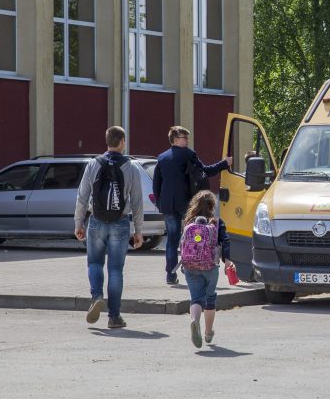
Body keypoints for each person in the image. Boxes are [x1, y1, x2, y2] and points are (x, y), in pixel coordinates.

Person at [74, 126, 145, 329]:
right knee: (115, 269)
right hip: (120, 222)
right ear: (122, 141)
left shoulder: (93, 164)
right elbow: (137, 201)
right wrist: (138, 230)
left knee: (94, 263)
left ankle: (97, 296)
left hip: (96, 221)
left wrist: (79, 223)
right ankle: (114, 316)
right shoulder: (130, 167)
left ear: (107, 141)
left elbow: (82, 196)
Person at [153, 126, 232, 285]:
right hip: (187, 204)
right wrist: (224, 164)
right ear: (175, 139)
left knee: (172, 240)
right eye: (184, 138)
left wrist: (160, 202)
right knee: (195, 235)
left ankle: (170, 274)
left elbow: (157, 184)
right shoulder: (189, 154)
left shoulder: (161, 158)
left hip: (168, 204)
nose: (187, 141)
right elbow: (206, 172)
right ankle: (193, 266)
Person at [180, 190, 234, 348]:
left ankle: (194, 321)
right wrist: (227, 261)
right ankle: (208, 333)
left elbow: (183, 243)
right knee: (210, 299)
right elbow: (225, 241)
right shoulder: (216, 223)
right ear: (212, 206)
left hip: (190, 266)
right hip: (210, 266)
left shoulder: (189, 221)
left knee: (196, 298)